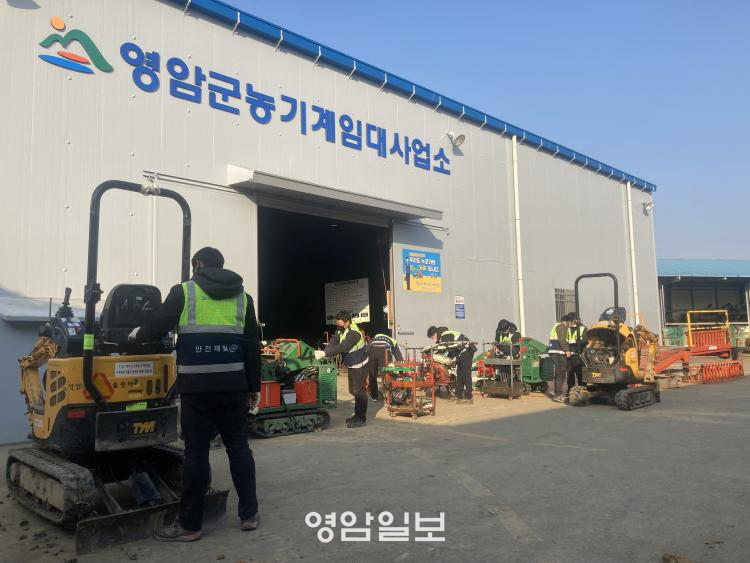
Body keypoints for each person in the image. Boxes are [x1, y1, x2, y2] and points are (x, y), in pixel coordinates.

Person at [129, 247, 262, 541]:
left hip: (197, 389)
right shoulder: (243, 297)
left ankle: (190, 525)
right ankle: (249, 515)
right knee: (239, 449)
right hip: (234, 386)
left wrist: (135, 334)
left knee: (196, 454)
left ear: (198, 264)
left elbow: (155, 328)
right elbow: (252, 346)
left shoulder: (184, 292)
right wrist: (253, 387)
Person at [315, 311, 370, 428]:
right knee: (353, 391)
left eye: (340, 323)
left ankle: (361, 418)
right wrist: (325, 352)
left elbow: (342, 346)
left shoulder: (354, 333)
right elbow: (334, 341)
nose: (338, 325)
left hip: (360, 365)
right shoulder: (341, 328)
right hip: (352, 364)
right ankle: (357, 415)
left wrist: (325, 353)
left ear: (347, 322)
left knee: (359, 391)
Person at [427, 326, 476, 404]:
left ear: (435, 334)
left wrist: (445, 359)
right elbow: (450, 349)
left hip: (467, 351)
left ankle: (469, 398)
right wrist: (447, 359)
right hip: (461, 353)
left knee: (465, 375)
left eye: (432, 337)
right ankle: (458, 396)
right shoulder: (444, 335)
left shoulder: (445, 335)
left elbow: (448, 349)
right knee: (459, 375)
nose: (433, 339)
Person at [367, 330, 404, 401]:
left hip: (372, 350)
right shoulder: (392, 340)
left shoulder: (373, 340)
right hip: (385, 351)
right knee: (385, 374)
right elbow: (398, 355)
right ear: (388, 335)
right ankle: (387, 395)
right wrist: (401, 368)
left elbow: (366, 349)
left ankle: (374, 397)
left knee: (372, 374)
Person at [548, 313, 575, 403]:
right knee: (561, 373)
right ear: (567, 321)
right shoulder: (561, 327)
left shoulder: (557, 325)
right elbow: (562, 340)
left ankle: (557, 392)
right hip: (558, 352)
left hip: (556, 352)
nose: (571, 325)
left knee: (559, 373)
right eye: (571, 322)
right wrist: (567, 350)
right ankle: (558, 394)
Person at [566, 314, 587, 391]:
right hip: (569, 356)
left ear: (574, 321)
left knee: (580, 375)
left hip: (579, 356)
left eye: (569, 321)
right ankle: (570, 391)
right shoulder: (568, 329)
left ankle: (582, 391)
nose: (568, 323)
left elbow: (585, 341)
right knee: (570, 375)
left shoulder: (583, 328)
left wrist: (575, 341)